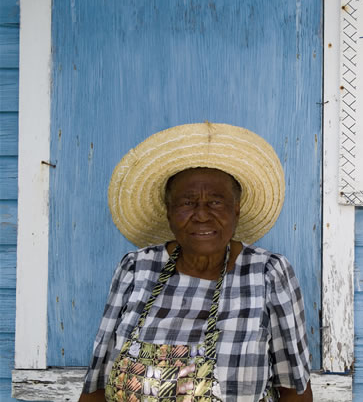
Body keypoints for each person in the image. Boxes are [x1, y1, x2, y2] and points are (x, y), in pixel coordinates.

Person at [79, 123, 312, 402]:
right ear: (169, 212)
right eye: (187, 203)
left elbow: (294, 389)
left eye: (215, 202)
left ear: (236, 210)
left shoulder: (267, 273)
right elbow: (97, 382)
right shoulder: (136, 268)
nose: (201, 215)